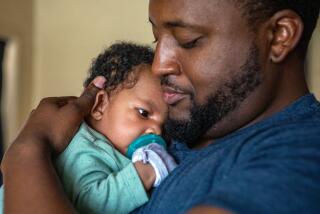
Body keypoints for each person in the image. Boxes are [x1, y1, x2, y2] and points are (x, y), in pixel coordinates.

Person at [1, 0, 320, 213]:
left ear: (280, 36)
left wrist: (26, 153)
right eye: (156, 39)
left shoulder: (300, 156)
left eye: (188, 41)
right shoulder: (181, 122)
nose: (158, 65)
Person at [0, 42, 177, 214]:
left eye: (164, 125)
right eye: (143, 113)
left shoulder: (112, 149)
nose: (157, 131)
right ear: (100, 105)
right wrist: (142, 175)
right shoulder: (86, 147)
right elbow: (90, 204)